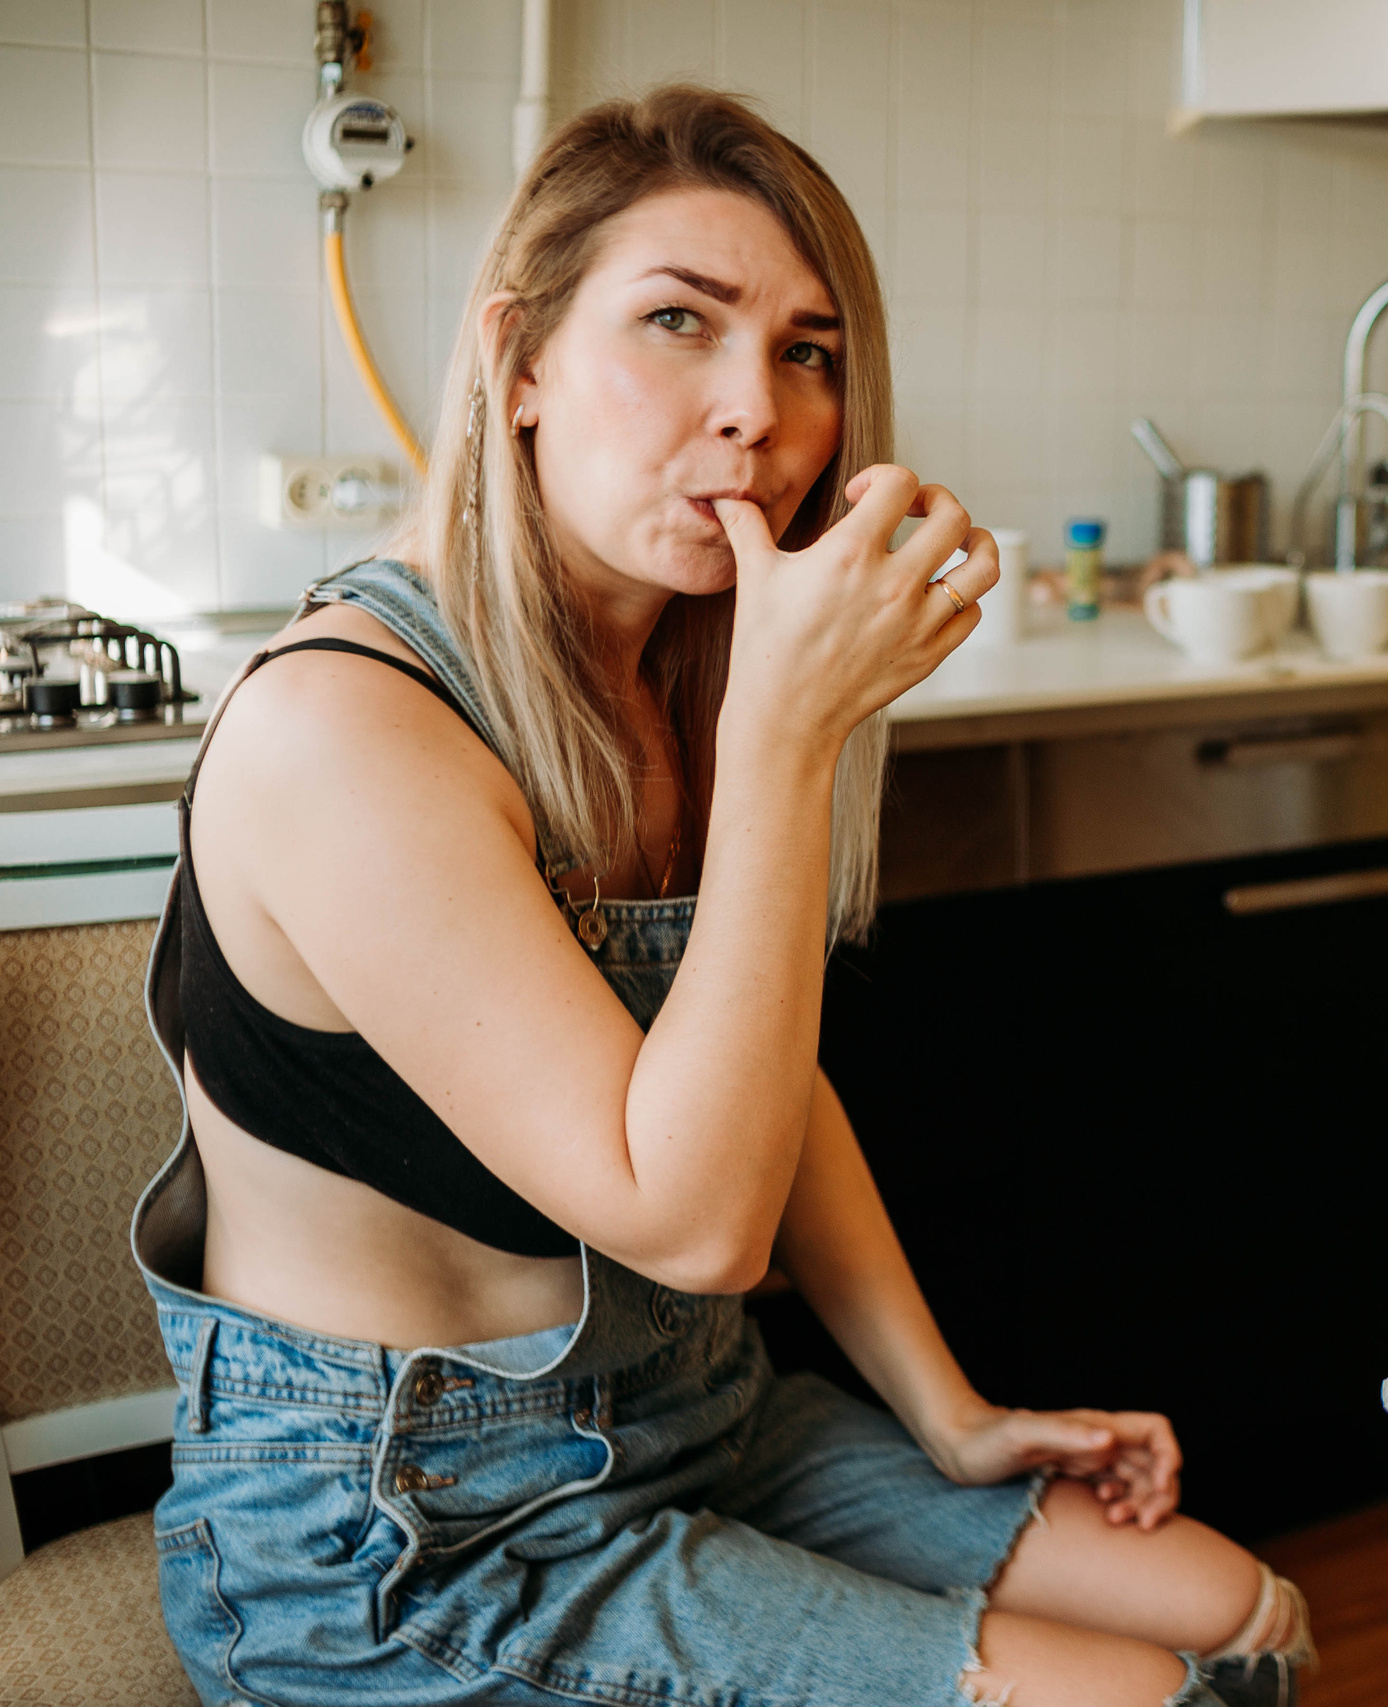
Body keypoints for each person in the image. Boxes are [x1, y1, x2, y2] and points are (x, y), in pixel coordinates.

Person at [131, 85, 1310, 1707]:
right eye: (677, 320)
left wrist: (949, 1407)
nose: (754, 406)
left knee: (1234, 1611)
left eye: (807, 352)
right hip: (406, 1526)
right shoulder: (346, 728)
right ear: (521, 361)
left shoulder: (668, 675)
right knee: (1136, 1694)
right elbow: (695, 1217)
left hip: (698, 1409)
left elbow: (762, 1083)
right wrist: (785, 736)